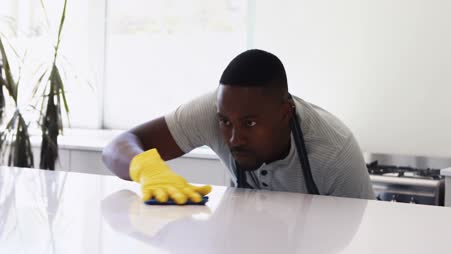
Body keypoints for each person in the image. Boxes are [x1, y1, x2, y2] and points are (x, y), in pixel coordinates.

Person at [102, 49, 375, 204]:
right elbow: (117, 147)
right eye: (225, 123)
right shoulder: (215, 110)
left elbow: (364, 238)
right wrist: (146, 168)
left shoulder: (335, 153)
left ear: (285, 112)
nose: (234, 137)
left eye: (250, 123)